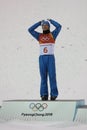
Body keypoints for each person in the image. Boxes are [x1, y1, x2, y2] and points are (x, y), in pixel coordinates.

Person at [28, 19, 62, 100]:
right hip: (42, 58)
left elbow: (59, 27)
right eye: (43, 26)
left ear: (48, 26)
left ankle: (54, 94)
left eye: (46, 25)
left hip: (50, 58)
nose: (44, 27)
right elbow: (30, 30)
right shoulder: (39, 36)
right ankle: (44, 94)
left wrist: (51, 21)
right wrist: (38, 23)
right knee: (43, 77)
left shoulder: (53, 34)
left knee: (52, 76)